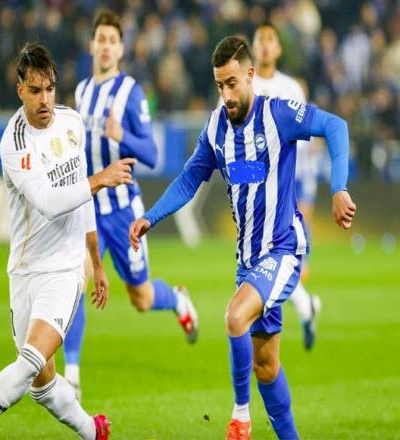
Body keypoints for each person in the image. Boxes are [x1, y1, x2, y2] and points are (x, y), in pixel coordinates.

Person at [130, 36, 356, 439]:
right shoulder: (216, 128)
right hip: (248, 261)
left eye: (232, 83)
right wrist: (151, 216)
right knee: (266, 367)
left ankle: (240, 417)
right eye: (220, 85)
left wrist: (339, 188)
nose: (226, 95)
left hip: (283, 249)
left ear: (250, 75)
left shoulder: (278, 114)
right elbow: (190, 178)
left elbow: (335, 126)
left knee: (234, 317)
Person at [0, 42, 136, 440]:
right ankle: (93, 431)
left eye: (50, 89)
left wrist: (95, 262)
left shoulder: (71, 123)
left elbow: (81, 197)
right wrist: (100, 179)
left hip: (65, 269)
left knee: (31, 359)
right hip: (24, 271)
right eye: (35, 91)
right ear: (20, 90)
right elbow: (49, 202)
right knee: (40, 382)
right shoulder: (14, 143)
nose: (45, 99)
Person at [62, 9, 198, 398]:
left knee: (141, 297)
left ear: (121, 49)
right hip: (89, 208)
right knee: (75, 281)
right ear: (91, 45)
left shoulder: (130, 92)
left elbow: (152, 154)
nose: (105, 46)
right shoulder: (82, 91)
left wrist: (121, 135)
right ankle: (72, 375)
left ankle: (177, 299)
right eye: (100, 39)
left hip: (123, 212)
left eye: (112, 41)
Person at [252, 22, 321, 350]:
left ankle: (300, 308)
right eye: (260, 39)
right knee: (264, 257)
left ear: (278, 49)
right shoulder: (245, 85)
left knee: (270, 257)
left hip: (289, 179)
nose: (265, 45)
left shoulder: (291, 88)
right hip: (256, 182)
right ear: (253, 47)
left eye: (270, 40)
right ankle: (306, 306)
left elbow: (307, 139)